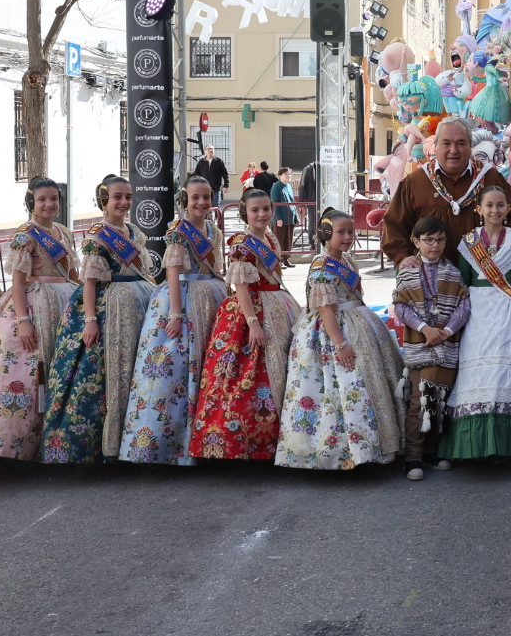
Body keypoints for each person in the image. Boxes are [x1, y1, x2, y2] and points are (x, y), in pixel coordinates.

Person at [0, 178, 79, 461]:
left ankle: (55, 438)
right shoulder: (25, 235)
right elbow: (18, 281)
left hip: (64, 304)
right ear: (31, 202)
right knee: (29, 373)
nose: (49, 204)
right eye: (42, 199)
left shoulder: (64, 233)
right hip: (34, 305)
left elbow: (73, 274)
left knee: (59, 371)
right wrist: (23, 321)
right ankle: (17, 444)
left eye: (54, 199)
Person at [39, 176, 156, 464]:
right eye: (117, 197)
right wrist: (90, 320)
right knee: (107, 372)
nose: (124, 202)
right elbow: (90, 282)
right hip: (110, 310)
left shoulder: (133, 232)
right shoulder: (97, 237)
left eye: (128, 197)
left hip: (138, 305)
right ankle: (106, 443)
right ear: (104, 199)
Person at [277, 211, 404, 472]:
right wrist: (340, 344)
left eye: (350, 232)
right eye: (340, 232)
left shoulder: (346, 260)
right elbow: (325, 310)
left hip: (358, 323)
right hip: (334, 332)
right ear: (326, 234)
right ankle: (339, 452)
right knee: (339, 388)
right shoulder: (321, 267)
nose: (347, 237)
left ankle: (372, 446)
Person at [118, 176, 228, 466]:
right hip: (182, 300)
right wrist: (175, 314)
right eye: (196, 198)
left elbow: (215, 267)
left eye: (206, 197)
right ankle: (173, 445)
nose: (202, 202)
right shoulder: (178, 232)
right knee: (177, 370)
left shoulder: (213, 230)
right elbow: (173, 272)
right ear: (185, 200)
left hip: (211, 297)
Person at [190, 187, 301, 460]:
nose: (261, 214)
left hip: (277, 305)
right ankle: (244, 444)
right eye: (255, 210)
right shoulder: (242, 244)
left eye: (266, 209)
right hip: (250, 311)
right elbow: (241, 287)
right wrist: (253, 324)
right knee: (245, 375)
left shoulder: (270, 238)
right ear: (245, 212)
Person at [443, 185, 511, 461]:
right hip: (478, 315)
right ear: (479, 209)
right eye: (489, 205)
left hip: (510, 312)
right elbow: (463, 284)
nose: (495, 210)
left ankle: (508, 445)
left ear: (508, 209)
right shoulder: (468, 243)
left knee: (506, 375)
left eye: (500, 205)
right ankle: (477, 445)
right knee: (479, 376)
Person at [381, 117, 511, 266]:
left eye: (461, 143)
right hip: (433, 276)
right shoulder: (415, 183)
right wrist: (403, 257)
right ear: (436, 146)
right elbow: (394, 226)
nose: (453, 150)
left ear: (470, 146)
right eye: (446, 143)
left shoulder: (491, 178)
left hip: (484, 275)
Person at [391, 216, 471, 479]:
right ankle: (412, 457)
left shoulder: (453, 272)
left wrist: (447, 331)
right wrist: (425, 328)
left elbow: (464, 305)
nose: (435, 245)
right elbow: (400, 306)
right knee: (418, 401)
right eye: (429, 240)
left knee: (440, 399)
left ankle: (432, 451)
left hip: (446, 344)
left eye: (440, 240)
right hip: (420, 344)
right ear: (416, 242)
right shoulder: (407, 272)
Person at [270, 167, 297, 267]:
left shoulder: (288, 186)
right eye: (286, 174)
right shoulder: (276, 186)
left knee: (288, 240)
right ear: (280, 176)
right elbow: (275, 203)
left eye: (289, 174)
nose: (288, 176)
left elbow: (292, 201)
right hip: (280, 219)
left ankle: (286, 259)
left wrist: (296, 216)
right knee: (279, 240)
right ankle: (279, 260)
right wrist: (279, 218)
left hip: (290, 218)